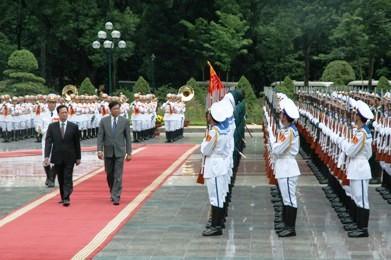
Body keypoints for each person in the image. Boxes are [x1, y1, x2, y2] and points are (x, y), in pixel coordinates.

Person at [341, 100, 374, 237]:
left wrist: (343, 143)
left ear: (359, 116)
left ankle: (363, 229)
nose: (353, 116)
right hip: (357, 167)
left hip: (360, 168)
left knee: (362, 199)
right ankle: (357, 224)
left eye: (355, 114)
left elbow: (350, 151)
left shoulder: (362, 134)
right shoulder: (361, 132)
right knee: (356, 197)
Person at [269, 98, 301, 237]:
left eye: (282, 114)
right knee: (286, 197)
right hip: (284, 166)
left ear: (286, 117)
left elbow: (278, 149)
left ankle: (290, 227)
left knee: (289, 198)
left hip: (288, 167)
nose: (280, 116)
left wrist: (274, 146)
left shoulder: (289, 133)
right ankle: (286, 224)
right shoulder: (287, 130)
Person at [201, 101, 231, 236]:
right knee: (217, 196)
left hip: (214, 166)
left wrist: (204, 140)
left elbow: (205, 150)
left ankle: (216, 226)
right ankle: (216, 224)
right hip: (220, 163)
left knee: (215, 197)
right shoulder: (223, 130)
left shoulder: (214, 132)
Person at [44, 105, 81, 206]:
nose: (65, 114)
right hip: (57, 156)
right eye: (62, 113)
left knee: (67, 176)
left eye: (66, 112)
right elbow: (48, 142)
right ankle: (63, 195)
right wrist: (46, 156)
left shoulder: (73, 126)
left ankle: (66, 197)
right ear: (58, 114)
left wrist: (78, 157)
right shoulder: (52, 127)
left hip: (70, 156)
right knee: (60, 177)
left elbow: (77, 143)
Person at [97, 101, 132, 205]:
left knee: (118, 175)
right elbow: (100, 136)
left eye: (118, 109)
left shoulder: (124, 121)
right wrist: (99, 150)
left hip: (119, 152)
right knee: (109, 174)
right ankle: (113, 190)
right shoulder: (104, 121)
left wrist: (129, 152)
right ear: (110, 110)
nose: (117, 111)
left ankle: (116, 196)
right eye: (115, 109)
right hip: (108, 151)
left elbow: (128, 138)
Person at [37, 94, 59, 187]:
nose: (52, 104)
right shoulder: (42, 114)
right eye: (50, 102)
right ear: (47, 103)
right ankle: (49, 176)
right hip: (46, 139)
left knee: (56, 160)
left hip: (57, 140)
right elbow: (38, 126)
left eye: (53, 103)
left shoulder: (59, 113)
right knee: (45, 160)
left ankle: (51, 179)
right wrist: (40, 130)